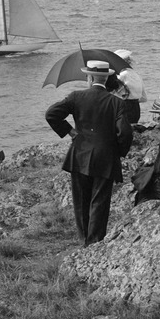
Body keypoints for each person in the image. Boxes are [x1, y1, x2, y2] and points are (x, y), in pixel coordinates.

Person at [45, 59, 134, 246]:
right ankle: (95, 241)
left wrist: (69, 131)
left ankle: (84, 239)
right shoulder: (117, 103)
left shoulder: (76, 96)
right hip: (106, 156)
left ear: (90, 77)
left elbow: (51, 114)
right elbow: (125, 132)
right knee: (100, 202)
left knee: (81, 201)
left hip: (80, 154)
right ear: (106, 77)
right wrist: (118, 151)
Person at [114, 49, 147, 125]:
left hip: (124, 107)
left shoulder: (121, 76)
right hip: (136, 108)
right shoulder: (137, 75)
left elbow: (113, 93)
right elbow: (144, 98)